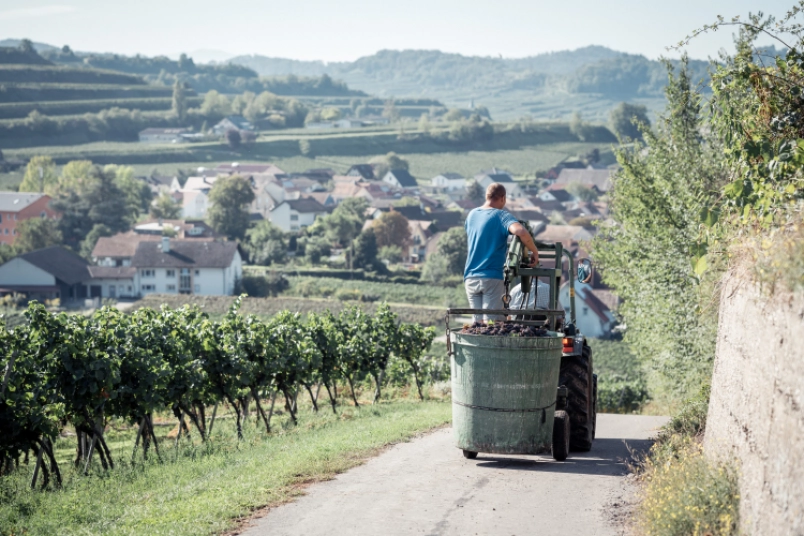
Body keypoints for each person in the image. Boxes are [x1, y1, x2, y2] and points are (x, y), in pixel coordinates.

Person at [463, 183, 540, 323]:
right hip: (491, 278)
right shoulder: (501, 215)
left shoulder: (472, 214)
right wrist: (534, 251)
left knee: (477, 325)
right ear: (503, 198)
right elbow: (521, 231)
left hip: (470, 278)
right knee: (492, 325)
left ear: (487, 196)